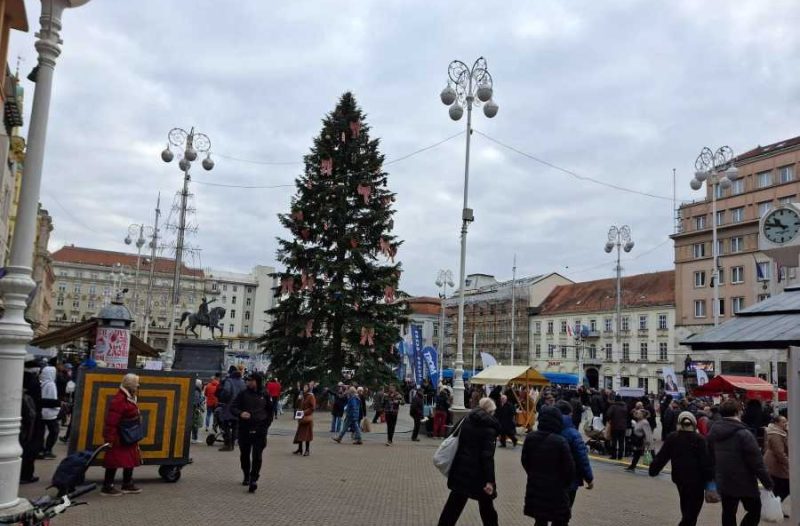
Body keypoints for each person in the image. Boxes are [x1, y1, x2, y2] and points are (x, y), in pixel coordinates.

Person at [708, 398, 773, 526]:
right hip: (745, 481)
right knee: (755, 510)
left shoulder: (713, 432)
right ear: (738, 411)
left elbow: (709, 458)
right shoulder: (744, 434)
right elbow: (757, 463)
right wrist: (767, 482)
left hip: (724, 480)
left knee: (728, 512)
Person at [437, 398, 500, 526]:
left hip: (461, 469)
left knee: (452, 508)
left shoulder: (466, 420)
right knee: (487, 509)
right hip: (479, 475)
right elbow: (487, 457)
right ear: (490, 411)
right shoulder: (489, 429)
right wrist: (490, 481)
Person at [649, 411, 713, 526]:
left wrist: (653, 469)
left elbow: (662, 456)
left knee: (685, 505)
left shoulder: (673, 437)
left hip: (679, 478)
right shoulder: (699, 439)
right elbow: (706, 462)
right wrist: (710, 478)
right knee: (693, 511)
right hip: (696, 481)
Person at [521, 405, 576, 526]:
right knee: (560, 520)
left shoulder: (530, 438)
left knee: (540, 520)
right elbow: (569, 469)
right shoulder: (560, 441)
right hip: (557, 490)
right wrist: (564, 484)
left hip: (536, 487)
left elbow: (525, 461)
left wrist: (533, 474)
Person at [101, 374, 143, 496]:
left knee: (130, 459)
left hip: (128, 435)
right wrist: (110, 438)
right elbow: (112, 421)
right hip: (120, 436)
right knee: (113, 461)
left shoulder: (128, 397)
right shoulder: (120, 399)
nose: (138, 386)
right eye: (136, 384)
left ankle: (127, 483)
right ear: (130, 386)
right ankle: (107, 486)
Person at [231, 372, 273, 492]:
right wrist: (240, 413)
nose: (248, 382)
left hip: (260, 429)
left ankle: (254, 479)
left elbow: (270, 411)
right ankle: (246, 475)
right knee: (244, 454)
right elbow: (233, 407)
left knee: (257, 455)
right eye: (247, 380)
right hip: (245, 429)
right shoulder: (243, 394)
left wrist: (266, 425)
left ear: (257, 381)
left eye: (250, 380)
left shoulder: (265, 394)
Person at [556, 401, 594, 508]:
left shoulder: (547, 429)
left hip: (547, 479)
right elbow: (582, 458)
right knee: (564, 513)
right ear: (569, 414)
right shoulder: (573, 434)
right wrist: (589, 478)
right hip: (569, 479)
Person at [217, 366, 245, 451]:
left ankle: (228, 444)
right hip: (239, 407)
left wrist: (223, 399)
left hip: (229, 406)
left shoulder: (229, 381)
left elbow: (226, 391)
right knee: (236, 426)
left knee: (225, 425)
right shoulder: (242, 382)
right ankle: (232, 444)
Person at [763, 415, 790, 504]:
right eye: (783, 422)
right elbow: (779, 453)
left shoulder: (780, 432)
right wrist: (789, 463)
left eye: (786, 421)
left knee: (778, 487)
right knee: (786, 486)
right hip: (775, 464)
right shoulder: (776, 434)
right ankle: (774, 505)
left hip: (775, 464)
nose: (785, 423)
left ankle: (775, 507)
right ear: (776, 423)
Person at [293, 383, 316, 455]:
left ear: (308, 388)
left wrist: (304, 412)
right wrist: (298, 399)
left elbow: (312, 408)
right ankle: (300, 449)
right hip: (301, 418)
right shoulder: (302, 395)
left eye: (306, 387)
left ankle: (307, 450)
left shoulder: (311, 396)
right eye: (304, 387)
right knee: (300, 434)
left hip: (307, 418)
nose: (304, 388)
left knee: (307, 435)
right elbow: (297, 405)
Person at [605, 395, 628, 460]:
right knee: (621, 442)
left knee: (614, 441)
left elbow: (608, 414)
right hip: (623, 427)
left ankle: (614, 455)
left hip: (615, 426)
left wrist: (609, 420)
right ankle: (620, 456)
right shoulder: (625, 406)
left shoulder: (613, 406)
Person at [191, 379, 204, 444]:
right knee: (195, 425)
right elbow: (196, 402)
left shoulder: (195, 391)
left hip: (195, 410)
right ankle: (194, 438)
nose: (202, 385)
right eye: (201, 384)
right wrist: (202, 399)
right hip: (196, 411)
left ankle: (194, 438)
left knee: (195, 424)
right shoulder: (196, 392)